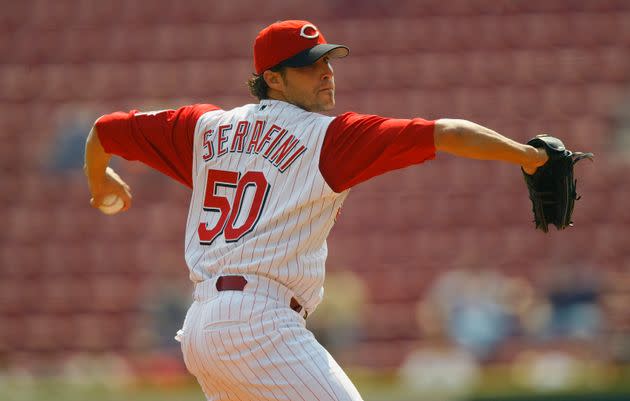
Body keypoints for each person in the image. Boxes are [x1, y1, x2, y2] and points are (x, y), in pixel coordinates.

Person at [84, 19, 548, 401]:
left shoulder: (203, 128)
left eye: (327, 61)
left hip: (205, 327)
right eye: (309, 66)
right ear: (273, 78)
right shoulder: (328, 138)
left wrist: (99, 180)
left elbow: (104, 131)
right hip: (259, 323)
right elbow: (447, 132)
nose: (326, 72)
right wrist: (530, 158)